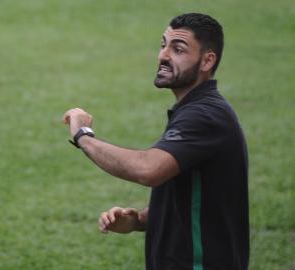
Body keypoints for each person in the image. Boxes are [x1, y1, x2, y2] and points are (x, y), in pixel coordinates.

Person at [62, 13, 249, 270]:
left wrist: (83, 135)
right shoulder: (194, 109)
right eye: (163, 45)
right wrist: (138, 219)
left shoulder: (205, 116)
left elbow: (148, 169)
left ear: (207, 61)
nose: (163, 56)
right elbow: (196, 198)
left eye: (178, 48)